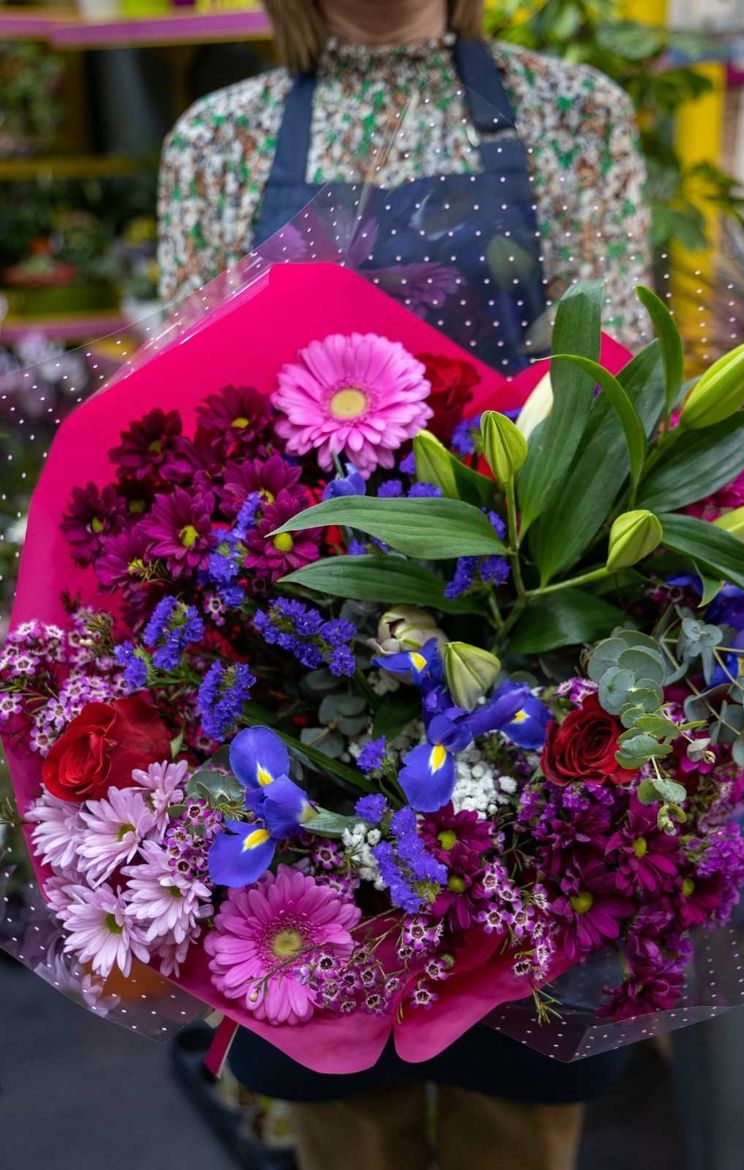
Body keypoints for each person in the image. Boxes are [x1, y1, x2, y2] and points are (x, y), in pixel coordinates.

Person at [157, 2, 652, 1167]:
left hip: (527, 695)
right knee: (338, 1110)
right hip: (293, 720)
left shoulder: (575, 118)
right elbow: (179, 422)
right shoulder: (220, 140)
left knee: (518, 1112)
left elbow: (619, 406)